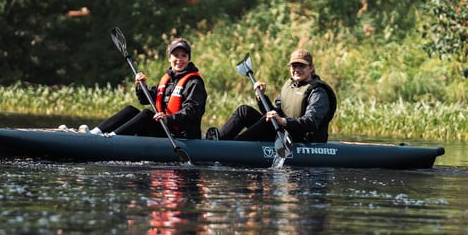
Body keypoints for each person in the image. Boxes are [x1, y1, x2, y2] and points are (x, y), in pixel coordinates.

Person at [69, 38, 207, 139]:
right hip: (165, 129)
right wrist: (140, 86)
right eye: (176, 55)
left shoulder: (194, 82)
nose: (180, 59)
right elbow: (145, 99)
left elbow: (192, 112)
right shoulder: (168, 79)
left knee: (147, 115)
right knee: (131, 110)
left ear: (189, 58)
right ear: (169, 58)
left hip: (181, 135)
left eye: (184, 56)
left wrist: (168, 119)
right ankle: (94, 133)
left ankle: (111, 138)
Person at [207, 48, 336, 143]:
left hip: (301, 139)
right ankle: (218, 141)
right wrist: (261, 97)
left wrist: (283, 121)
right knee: (244, 111)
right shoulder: (289, 85)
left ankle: (231, 147)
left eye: (301, 65)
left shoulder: (318, 92)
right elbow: (274, 111)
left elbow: (311, 122)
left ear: (311, 68)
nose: (296, 69)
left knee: (267, 120)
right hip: (282, 132)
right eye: (294, 65)